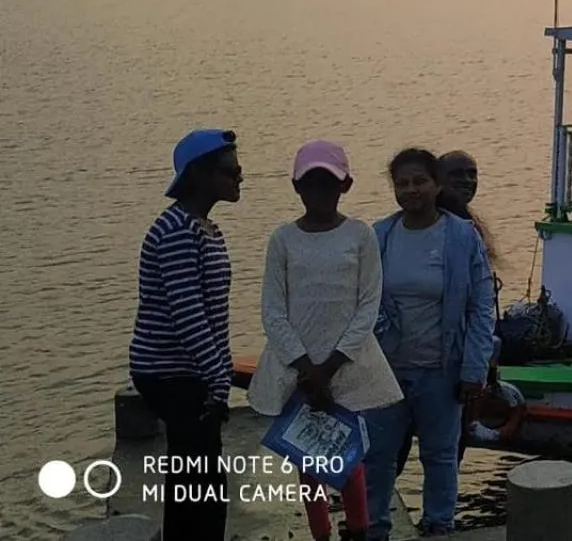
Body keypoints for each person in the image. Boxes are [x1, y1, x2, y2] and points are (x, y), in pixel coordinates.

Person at [248, 141, 403, 541]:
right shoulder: (283, 239)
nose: (319, 193)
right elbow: (273, 311)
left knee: (351, 451)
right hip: (297, 366)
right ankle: (320, 533)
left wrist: (331, 366)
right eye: (311, 184)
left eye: (328, 183)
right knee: (308, 456)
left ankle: (358, 529)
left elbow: (368, 304)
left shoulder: (360, 235)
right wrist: (306, 368)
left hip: (348, 363)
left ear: (345, 185)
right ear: (297, 188)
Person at [363, 148, 496, 539]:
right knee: (378, 458)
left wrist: (475, 368)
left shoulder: (461, 236)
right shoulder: (380, 235)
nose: (411, 190)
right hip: (385, 371)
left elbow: (480, 306)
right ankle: (373, 527)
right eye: (401, 184)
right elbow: (362, 302)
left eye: (419, 181)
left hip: (442, 370)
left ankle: (439, 525)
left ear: (437, 184)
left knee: (439, 457)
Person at [128, 128, 242, 541]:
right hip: (169, 372)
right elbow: (187, 313)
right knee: (199, 481)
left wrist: (220, 372)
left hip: (192, 369)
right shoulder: (177, 231)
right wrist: (217, 380)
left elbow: (216, 314)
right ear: (198, 175)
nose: (239, 176)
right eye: (229, 170)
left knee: (201, 477)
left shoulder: (206, 228)